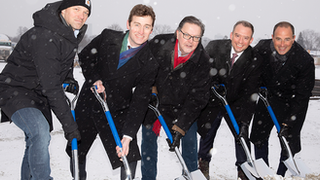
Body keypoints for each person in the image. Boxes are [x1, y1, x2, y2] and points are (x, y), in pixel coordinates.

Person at [0, 0, 91, 179]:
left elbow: (59, 67)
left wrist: (68, 78)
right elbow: (51, 86)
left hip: (38, 94)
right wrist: (69, 126)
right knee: (40, 133)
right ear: (63, 10)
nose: (82, 15)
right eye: (77, 9)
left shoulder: (67, 35)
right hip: (16, 90)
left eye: (86, 13)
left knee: (34, 140)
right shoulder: (44, 36)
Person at [66, 4, 158, 180]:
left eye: (146, 26)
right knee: (77, 151)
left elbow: (140, 101)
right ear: (128, 24)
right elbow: (86, 56)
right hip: (90, 102)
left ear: (151, 29)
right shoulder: (108, 37)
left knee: (129, 156)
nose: (141, 31)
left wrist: (128, 136)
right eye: (137, 24)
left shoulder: (150, 63)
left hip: (118, 109)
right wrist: (95, 79)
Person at [141, 16, 211, 180]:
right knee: (148, 144)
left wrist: (180, 128)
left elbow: (198, 99)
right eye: (187, 35)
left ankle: (189, 176)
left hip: (183, 107)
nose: (190, 41)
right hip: (155, 101)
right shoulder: (159, 44)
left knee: (189, 144)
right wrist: (152, 90)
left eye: (195, 37)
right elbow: (145, 70)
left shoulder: (203, 61)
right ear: (178, 33)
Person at [196, 20, 262, 180]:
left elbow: (251, 93)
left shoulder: (254, 59)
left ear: (251, 40)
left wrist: (245, 122)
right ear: (231, 35)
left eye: (246, 38)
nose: (240, 41)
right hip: (213, 98)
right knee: (207, 132)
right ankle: (203, 164)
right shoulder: (214, 47)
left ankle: (243, 169)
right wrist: (213, 84)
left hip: (237, 102)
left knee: (241, 136)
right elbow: (202, 71)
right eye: (238, 36)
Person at [250, 21, 315, 177]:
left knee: (288, 143)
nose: (282, 44)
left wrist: (289, 122)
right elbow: (251, 68)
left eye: (287, 39)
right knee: (258, 137)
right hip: (267, 99)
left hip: (291, 103)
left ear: (293, 38)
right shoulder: (262, 49)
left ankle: (281, 174)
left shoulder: (304, 60)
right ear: (272, 37)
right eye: (278, 39)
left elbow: (302, 96)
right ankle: (263, 173)